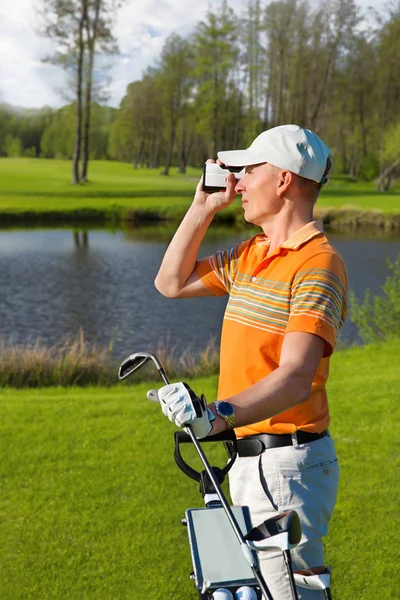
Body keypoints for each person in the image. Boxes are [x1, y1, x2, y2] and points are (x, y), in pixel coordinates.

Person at [154, 124, 348, 600]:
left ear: (283, 180)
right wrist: (201, 207)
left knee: (287, 594)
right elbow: (170, 282)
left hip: (286, 467)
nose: (236, 183)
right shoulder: (251, 254)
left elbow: (296, 378)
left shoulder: (317, 264)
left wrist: (217, 416)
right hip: (250, 459)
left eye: (248, 171)